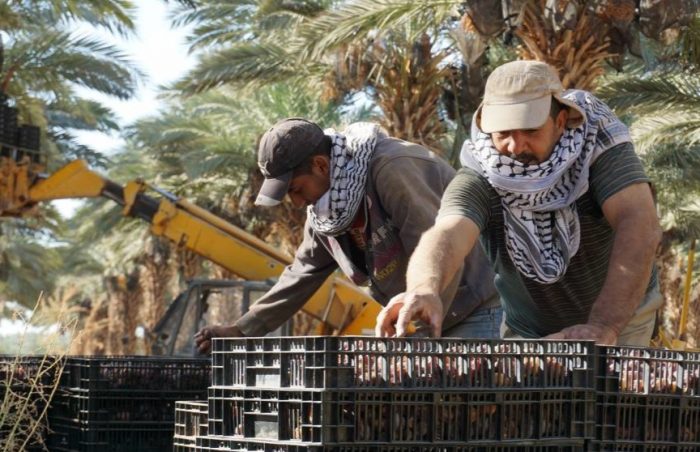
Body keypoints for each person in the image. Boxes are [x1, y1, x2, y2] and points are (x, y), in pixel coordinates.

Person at [376, 60, 662, 346]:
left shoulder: (598, 146)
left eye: (530, 131)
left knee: (611, 389)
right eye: (503, 134)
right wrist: (424, 288)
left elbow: (638, 223)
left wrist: (604, 325)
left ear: (560, 122)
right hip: (527, 329)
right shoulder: (482, 171)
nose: (515, 147)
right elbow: (448, 233)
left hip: (619, 318)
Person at [195, 118, 502, 353]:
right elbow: (302, 274)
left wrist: (421, 337)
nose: (298, 203)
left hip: (473, 308)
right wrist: (242, 330)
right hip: (420, 324)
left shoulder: (392, 169)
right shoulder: (326, 212)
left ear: (320, 165)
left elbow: (440, 249)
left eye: (296, 190)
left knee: (467, 419)